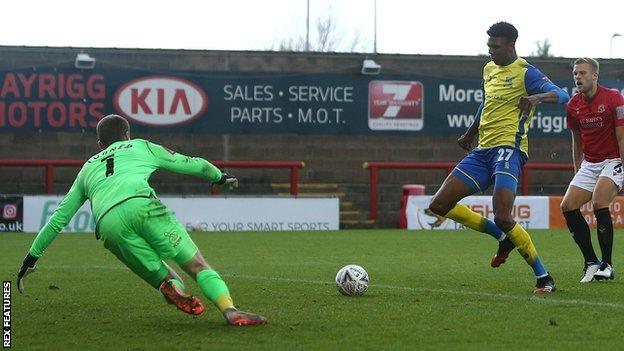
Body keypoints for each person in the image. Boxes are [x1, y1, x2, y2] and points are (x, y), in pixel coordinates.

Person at [17, 114, 267, 326]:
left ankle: (173, 290)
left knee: (169, 281)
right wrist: (219, 176)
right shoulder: (140, 146)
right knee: (196, 266)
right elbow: (193, 165)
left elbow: (59, 217)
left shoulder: (87, 168)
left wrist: (32, 257)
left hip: (108, 225)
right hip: (142, 205)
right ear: (126, 134)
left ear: (100, 143)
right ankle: (230, 311)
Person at [425, 22, 570, 294]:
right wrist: (470, 133)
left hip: (509, 150)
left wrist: (536, 97)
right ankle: (503, 238)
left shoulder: (526, 72)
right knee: (439, 204)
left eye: (496, 46)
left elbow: (563, 94)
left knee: (503, 214)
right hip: (482, 152)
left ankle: (544, 276)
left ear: (511, 46)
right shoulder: (489, 69)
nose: (490, 51)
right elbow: (486, 102)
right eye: (489, 45)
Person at [560, 57, 624, 283]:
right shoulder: (573, 105)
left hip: (614, 160)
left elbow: (621, 136)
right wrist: (578, 169)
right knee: (567, 206)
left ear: (595, 75)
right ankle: (591, 262)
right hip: (590, 163)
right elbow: (576, 141)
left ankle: (607, 266)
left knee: (599, 202)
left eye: (583, 73)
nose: (578, 77)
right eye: (575, 73)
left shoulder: (614, 98)